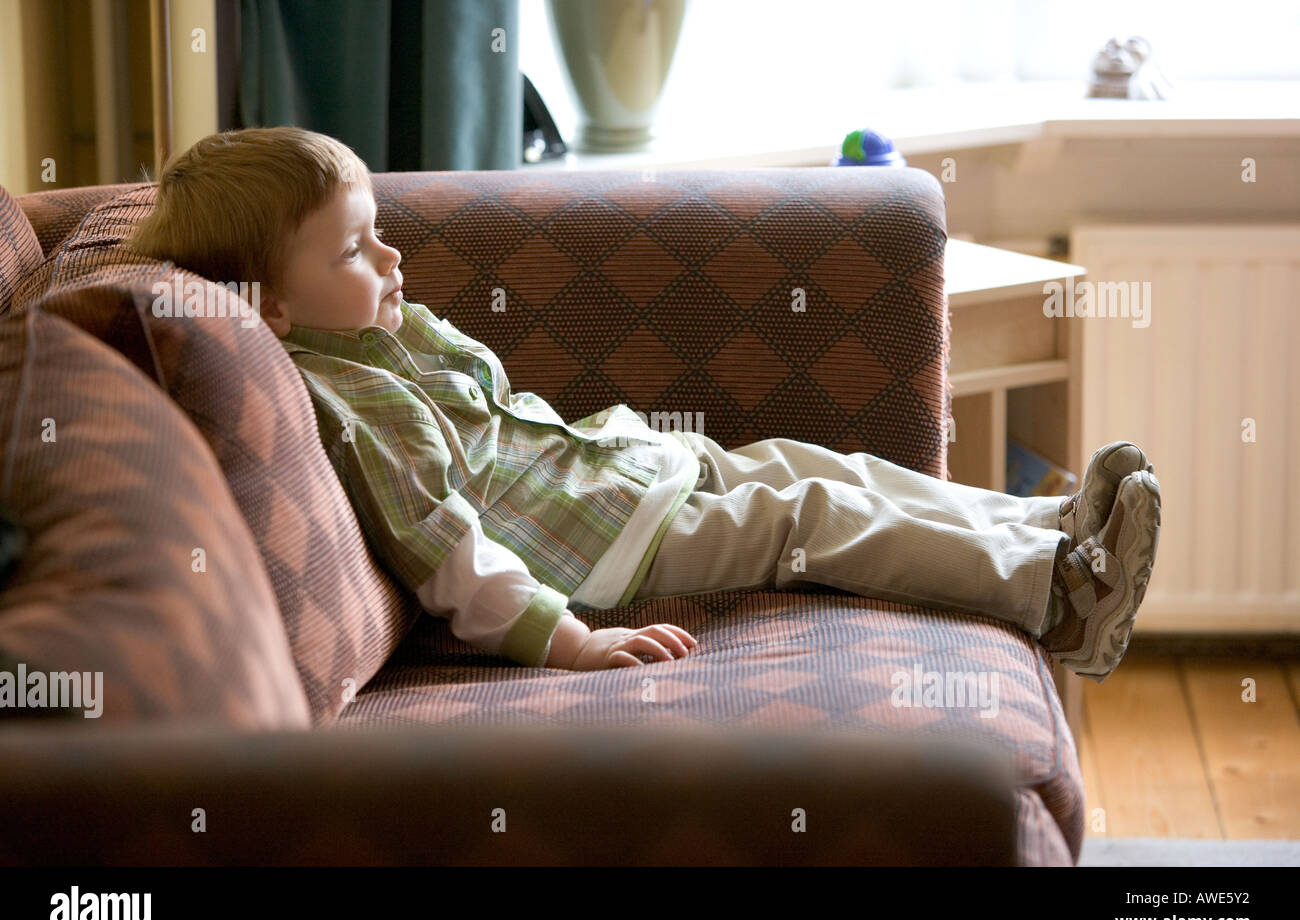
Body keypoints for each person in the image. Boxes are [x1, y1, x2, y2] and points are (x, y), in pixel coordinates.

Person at [127, 127, 1161, 681]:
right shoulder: (348, 401)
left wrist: (385, 300)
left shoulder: (376, 334)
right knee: (808, 516)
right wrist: (566, 637)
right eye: (354, 249)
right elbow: (445, 546)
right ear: (264, 302)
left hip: (614, 479)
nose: (391, 256)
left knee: (813, 464)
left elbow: (497, 404)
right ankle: (1057, 593)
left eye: (379, 230)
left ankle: (1049, 526)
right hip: (600, 552)